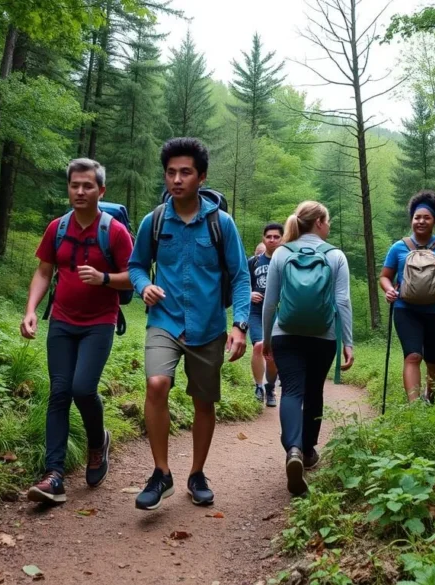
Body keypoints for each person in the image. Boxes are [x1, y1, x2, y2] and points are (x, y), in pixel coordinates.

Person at [127, 137, 251, 511]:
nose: (177, 179)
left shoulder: (221, 224)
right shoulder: (155, 220)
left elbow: (241, 276)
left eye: (185, 172)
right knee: (156, 382)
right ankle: (161, 472)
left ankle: (197, 474)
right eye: (171, 172)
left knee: (203, 402)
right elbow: (135, 265)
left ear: (201, 177)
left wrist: (240, 324)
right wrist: (143, 285)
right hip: (164, 320)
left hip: (208, 325)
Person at [20, 158, 133, 504]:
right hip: (63, 321)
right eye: (74, 185)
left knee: (83, 389)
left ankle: (98, 443)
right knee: (59, 392)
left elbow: (135, 276)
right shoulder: (57, 227)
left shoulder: (114, 231)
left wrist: (102, 278)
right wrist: (31, 311)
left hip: (100, 321)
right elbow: (44, 271)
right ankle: (53, 475)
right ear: (68, 188)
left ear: (101, 190)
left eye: (87, 186)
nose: (80, 191)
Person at [262, 201, 354, 496]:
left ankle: (293, 450)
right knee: (314, 391)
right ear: (319, 223)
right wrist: (348, 341)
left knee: (291, 391)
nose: (329, 226)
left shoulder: (281, 253)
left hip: (285, 333)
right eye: (327, 221)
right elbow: (342, 302)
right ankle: (310, 450)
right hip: (323, 335)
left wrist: (266, 337)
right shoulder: (336, 255)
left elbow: (270, 302)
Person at [380, 191, 435, 404]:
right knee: (412, 356)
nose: (421, 221)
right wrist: (388, 289)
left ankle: (430, 397)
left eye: (426, 217)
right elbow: (385, 277)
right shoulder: (398, 247)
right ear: (411, 220)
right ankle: (414, 408)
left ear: (434, 221)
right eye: (417, 217)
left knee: (434, 360)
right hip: (405, 309)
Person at [250, 223, 283, 406]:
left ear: (282, 239)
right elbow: (240, 283)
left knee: (272, 353)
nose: (272, 240)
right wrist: (249, 293)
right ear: (264, 238)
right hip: (256, 312)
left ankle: (270, 387)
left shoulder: (286, 262)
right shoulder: (253, 262)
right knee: (258, 346)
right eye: (269, 236)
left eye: (276, 237)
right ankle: (258, 386)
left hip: (278, 313)